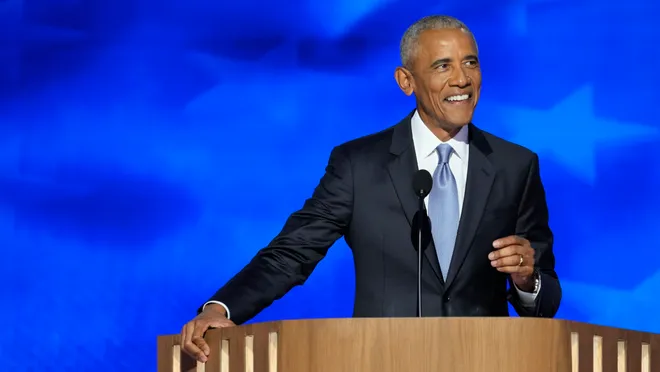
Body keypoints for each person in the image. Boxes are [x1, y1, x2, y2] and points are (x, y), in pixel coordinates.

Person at [180, 15, 562, 362]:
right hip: (380, 361)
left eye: (470, 62)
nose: (461, 78)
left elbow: (545, 301)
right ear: (406, 81)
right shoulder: (359, 165)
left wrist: (527, 281)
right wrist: (221, 309)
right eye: (442, 66)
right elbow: (291, 254)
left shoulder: (515, 165)